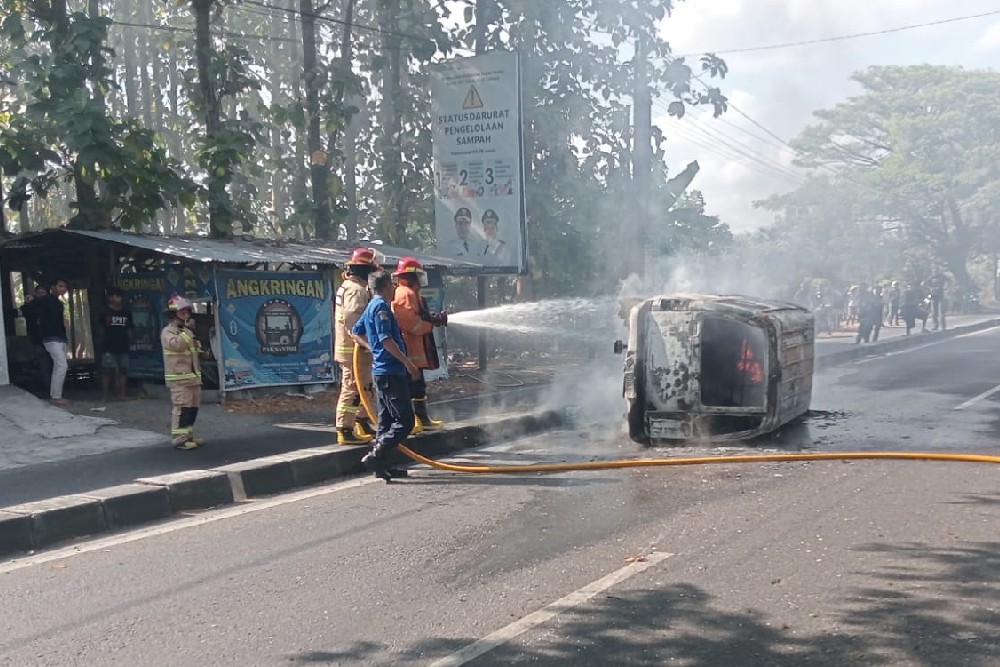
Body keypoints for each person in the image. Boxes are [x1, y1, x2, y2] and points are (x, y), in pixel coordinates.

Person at [351, 270, 420, 482]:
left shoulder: (372, 305)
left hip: (382, 372)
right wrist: (407, 363)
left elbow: (355, 331)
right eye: (393, 286)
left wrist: (371, 348)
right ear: (387, 287)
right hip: (391, 372)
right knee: (405, 421)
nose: (394, 289)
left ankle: (382, 465)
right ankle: (376, 455)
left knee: (386, 422)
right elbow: (387, 339)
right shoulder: (380, 307)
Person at [391, 257, 448, 434]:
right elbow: (409, 322)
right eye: (418, 276)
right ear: (409, 276)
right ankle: (413, 420)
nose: (421, 281)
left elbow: (419, 315)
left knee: (418, 385)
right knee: (409, 386)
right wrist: (429, 325)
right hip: (409, 350)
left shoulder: (412, 293)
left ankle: (422, 418)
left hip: (416, 351)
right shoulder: (403, 293)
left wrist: (432, 318)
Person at [333, 247, 380, 446]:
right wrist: (364, 340)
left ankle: (361, 421)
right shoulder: (356, 290)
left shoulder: (352, 286)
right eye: (370, 271)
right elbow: (352, 318)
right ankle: (345, 429)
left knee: (366, 387)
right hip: (353, 349)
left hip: (358, 349)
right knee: (352, 387)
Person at [161, 295, 203, 450]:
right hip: (179, 380)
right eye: (182, 312)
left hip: (192, 379)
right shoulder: (168, 332)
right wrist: (188, 332)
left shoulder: (186, 331)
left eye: (187, 311)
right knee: (182, 408)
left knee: (192, 409)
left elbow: (193, 349)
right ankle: (179, 439)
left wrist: (201, 350)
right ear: (173, 314)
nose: (186, 314)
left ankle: (188, 435)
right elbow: (177, 346)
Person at [35, 278, 70, 404]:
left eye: (64, 286)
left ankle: (55, 395)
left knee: (58, 366)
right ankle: (56, 396)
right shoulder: (44, 301)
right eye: (60, 286)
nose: (63, 289)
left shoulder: (59, 304)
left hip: (60, 337)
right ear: (53, 287)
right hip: (50, 338)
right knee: (61, 365)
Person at [99, 286, 133, 402]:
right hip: (108, 346)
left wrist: (130, 342)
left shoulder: (126, 312)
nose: (115, 299)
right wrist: (103, 343)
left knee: (123, 370)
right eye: (113, 296)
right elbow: (101, 329)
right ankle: (104, 396)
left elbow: (129, 329)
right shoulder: (104, 312)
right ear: (109, 298)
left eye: (118, 296)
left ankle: (122, 394)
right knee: (106, 371)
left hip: (123, 345)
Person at [19, 284, 53, 391]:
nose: (41, 295)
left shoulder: (51, 304)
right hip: (38, 340)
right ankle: (50, 388)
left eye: (43, 293)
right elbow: (22, 311)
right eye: (39, 293)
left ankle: (54, 387)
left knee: (54, 364)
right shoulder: (31, 306)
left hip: (52, 339)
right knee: (44, 364)